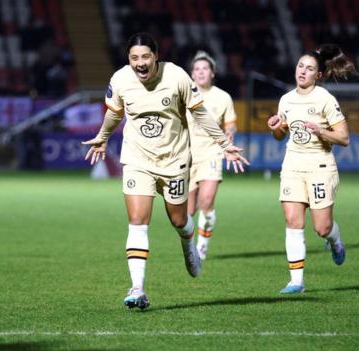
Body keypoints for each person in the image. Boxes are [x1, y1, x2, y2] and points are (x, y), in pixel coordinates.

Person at [83, 33, 249, 310]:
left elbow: (199, 113)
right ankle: (137, 287)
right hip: (138, 159)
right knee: (137, 220)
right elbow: (114, 113)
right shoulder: (120, 80)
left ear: (156, 56)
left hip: (174, 160)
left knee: (178, 219)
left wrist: (223, 143)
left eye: (145, 56)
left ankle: (189, 245)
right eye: (134, 58)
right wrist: (103, 136)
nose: (140, 63)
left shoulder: (177, 77)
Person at [266, 44, 356, 294]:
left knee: (322, 228)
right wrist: (276, 126)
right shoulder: (286, 99)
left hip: (320, 167)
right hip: (293, 165)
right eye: (300, 66)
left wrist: (321, 131)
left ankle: (335, 241)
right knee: (293, 220)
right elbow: (279, 135)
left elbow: (344, 138)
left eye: (309, 69)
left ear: (319, 75)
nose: (302, 71)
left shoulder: (325, 99)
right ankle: (296, 281)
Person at [186, 51, 238, 260]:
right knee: (187, 211)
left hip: (212, 153)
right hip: (186, 156)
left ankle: (202, 248)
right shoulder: (184, 95)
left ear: (213, 73)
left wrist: (230, 133)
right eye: (197, 69)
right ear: (191, 74)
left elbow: (231, 123)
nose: (201, 72)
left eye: (205, 69)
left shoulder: (223, 97)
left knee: (206, 201)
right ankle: (189, 245)